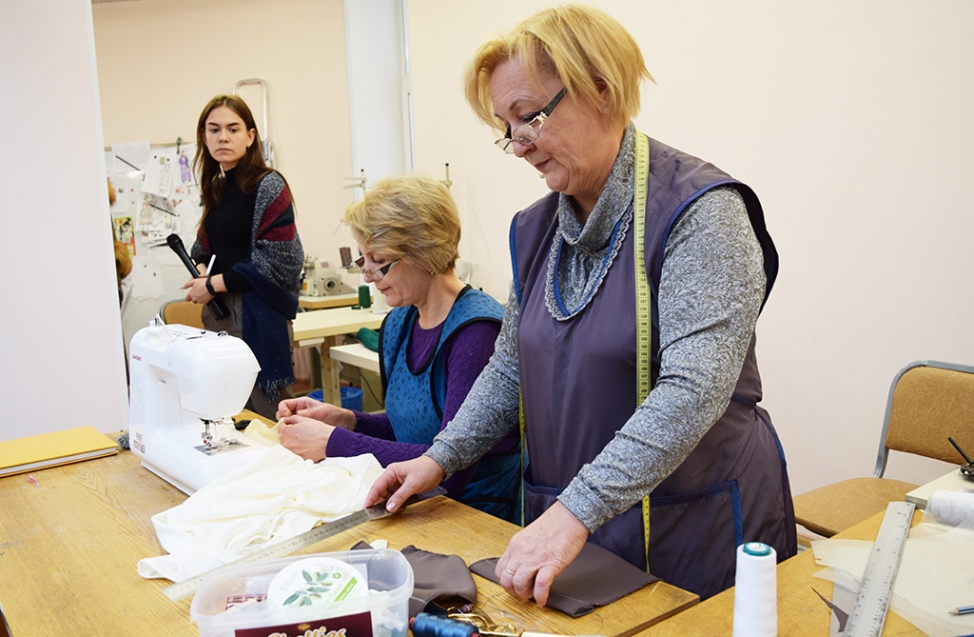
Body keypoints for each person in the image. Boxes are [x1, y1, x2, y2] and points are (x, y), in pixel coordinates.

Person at [365, 4, 796, 604]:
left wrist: (576, 510)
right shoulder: (535, 229)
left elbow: (693, 390)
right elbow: (511, 369)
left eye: (529, 117)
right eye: (505, 127)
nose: (517, 145)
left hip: (689, 521)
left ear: (601, 89)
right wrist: (438, 460)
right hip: (574, 519)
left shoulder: (702, 212)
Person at [276, 175, 521, 521]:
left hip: (474, 516)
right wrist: (347, 420)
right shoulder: (400, 322)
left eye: (379, 261)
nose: (367, 276)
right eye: (363, 260)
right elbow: (409, 429)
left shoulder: (476, 334)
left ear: (425, 252)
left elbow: (452, 469)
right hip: (416, 504)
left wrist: (334, 443)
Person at [182, 94, 304, 420]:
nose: (223, 137)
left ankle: (294, 470)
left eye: (233, 129)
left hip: (256, 316)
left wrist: (213, 284)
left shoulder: (269, 185)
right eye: (215, 129)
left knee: (269, 412)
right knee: (229, 412)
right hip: (218, 314)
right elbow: (206, 248)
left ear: (250, 137)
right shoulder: (217, 189)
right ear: (204, 137)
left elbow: (281, 259)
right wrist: (199, 269)